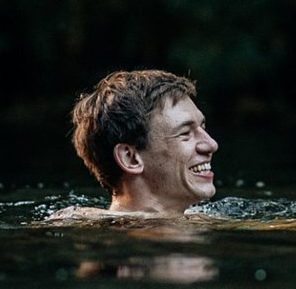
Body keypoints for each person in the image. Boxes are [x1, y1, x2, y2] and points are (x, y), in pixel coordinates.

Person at [53, 69, 218, 218]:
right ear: (130, 158)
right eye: (185, 134)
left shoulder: (203, 219)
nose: (211, 144)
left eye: (203, 128)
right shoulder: (91, 233)